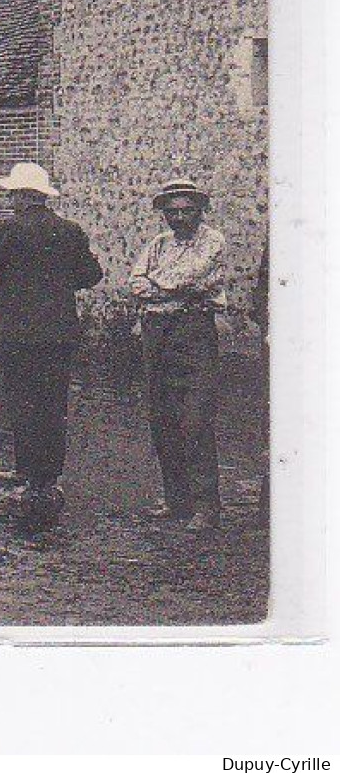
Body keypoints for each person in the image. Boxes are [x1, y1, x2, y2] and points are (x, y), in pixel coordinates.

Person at [0, 162, 104, 526]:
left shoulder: (9, 230)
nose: (12, 201)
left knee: (21, 401)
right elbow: (91, 275)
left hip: (16, 332)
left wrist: (14, 296)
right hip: (59, 332)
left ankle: (26, 472)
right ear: (43, 198)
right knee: (53, 403)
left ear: (20, 197)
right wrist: (58, 289)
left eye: (13, 195)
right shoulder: (70, 232)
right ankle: (48, 478)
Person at [131, 177, 227, 533]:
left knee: (195, 418)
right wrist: (164, 287)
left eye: (187, 211)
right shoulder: (158, 244)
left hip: (194, 331)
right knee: (162, 415)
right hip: (157, 334)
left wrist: (162, 285)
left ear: (200, 211)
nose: (180, 218)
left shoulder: (212, 241)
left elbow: (186, 278)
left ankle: (206, 507)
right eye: (172, 212)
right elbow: (136, 282)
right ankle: (176, 500)